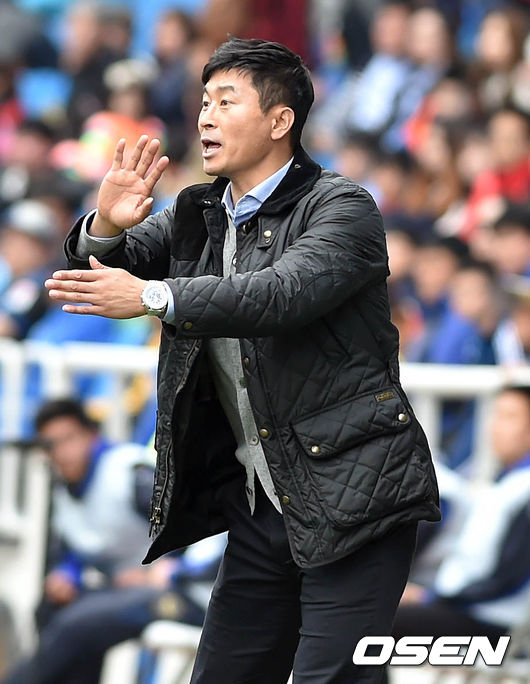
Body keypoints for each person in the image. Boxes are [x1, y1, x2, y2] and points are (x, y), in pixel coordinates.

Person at [46, 38, 440, 683]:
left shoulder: (342, 206)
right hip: (262, 504)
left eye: (226, 102)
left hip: (356, 495)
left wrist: (153, 296)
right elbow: (103, 266)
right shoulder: (198, 210)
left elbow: (281, 294)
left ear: (281, 121)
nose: (205, 117)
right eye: (203, 102)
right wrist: (108, 226)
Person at [1, 397, 225, 684]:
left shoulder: (129, 475)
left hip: (187, 593)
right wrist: (67, 575)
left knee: (77, 624)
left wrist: (174, 570)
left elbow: (203, 523)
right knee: (51, 609)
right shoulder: (65, 490)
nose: (62, 452)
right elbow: (72, 549)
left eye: (68, 439)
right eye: (51, 445)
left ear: (91, 435)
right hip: (128, 590)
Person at [391, 385, 530, 654]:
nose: (495, 427)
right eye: (496, 415)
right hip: (465, 607)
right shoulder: (509, 481)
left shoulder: (524, 489)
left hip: (491, 620)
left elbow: (507, 576)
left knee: (371, 624)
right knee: (367, 618)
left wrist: (432, 598)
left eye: (509, 417)